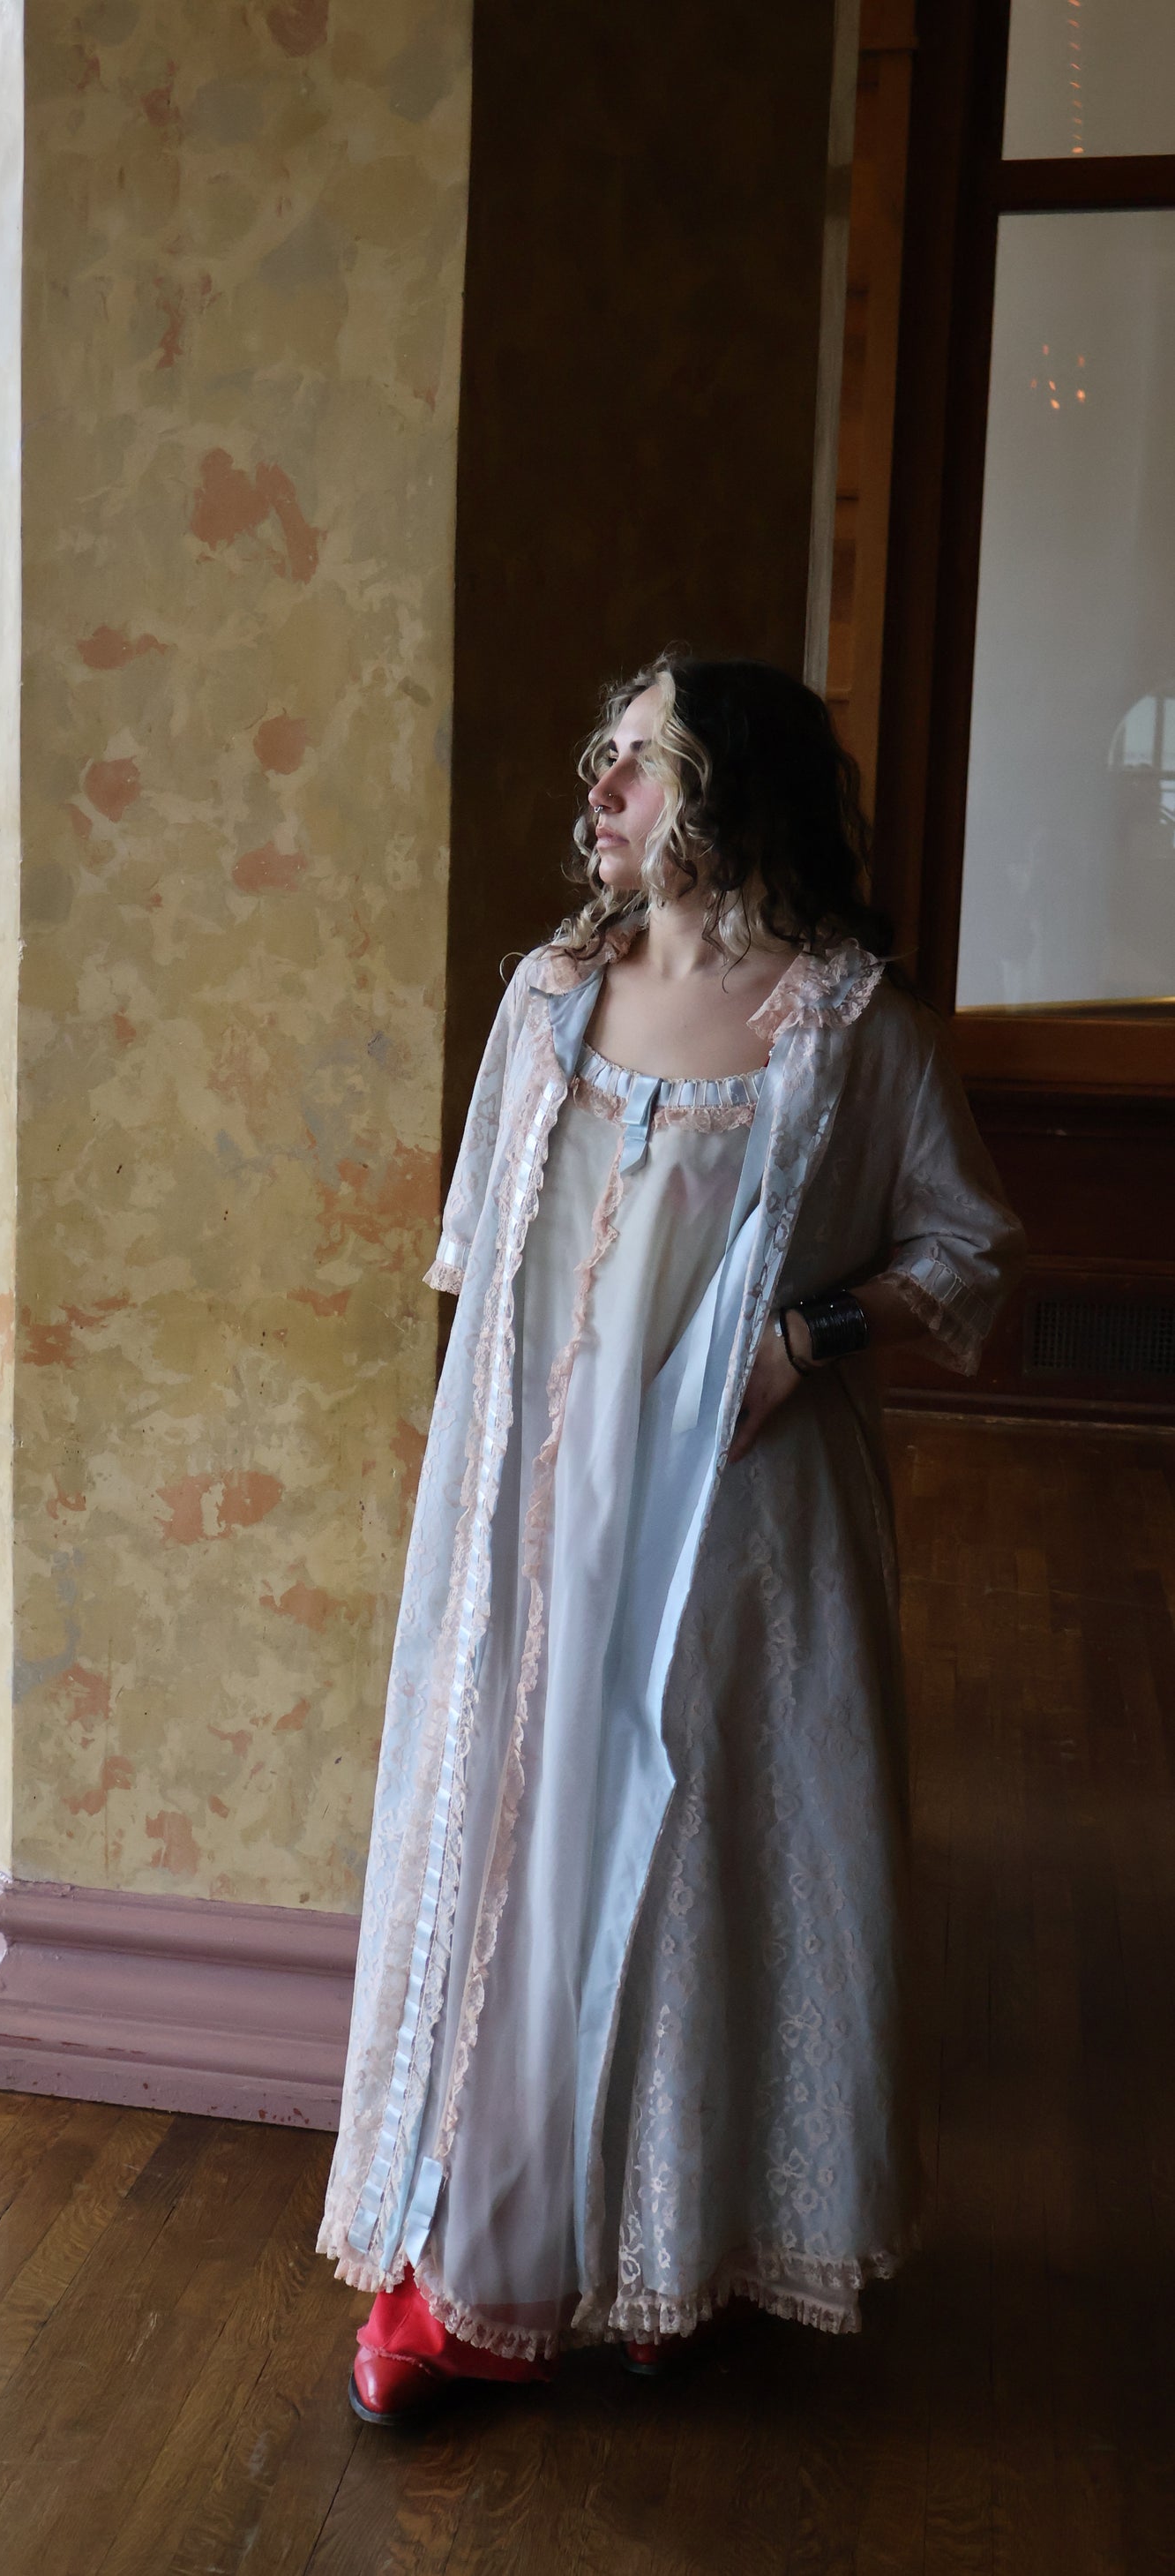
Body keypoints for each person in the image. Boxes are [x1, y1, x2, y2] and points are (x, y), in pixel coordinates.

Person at [318, 654, 1025, 2424]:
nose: (604, 791)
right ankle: (471, 2264)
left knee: (702, 1860)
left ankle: (674, 2250)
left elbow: (970, 1255)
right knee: (515, 1851)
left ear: (737, 793)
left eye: (645, 763)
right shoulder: (549, 1000)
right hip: (536, 1524)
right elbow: (485, 1272)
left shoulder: (850, 1029)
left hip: (740, 1531)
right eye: (607, 760)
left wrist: (807, 1334)